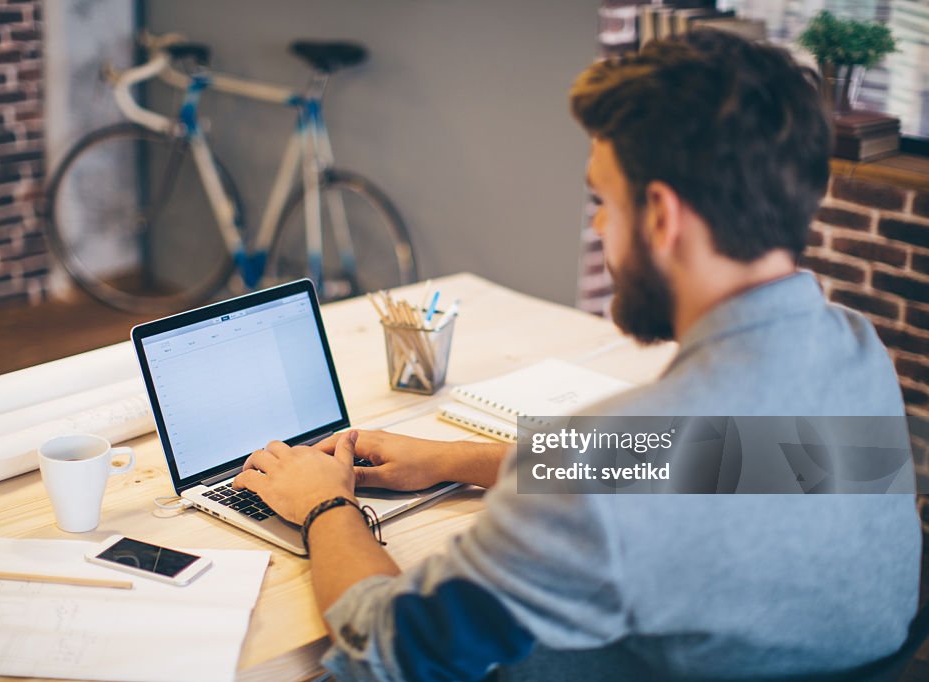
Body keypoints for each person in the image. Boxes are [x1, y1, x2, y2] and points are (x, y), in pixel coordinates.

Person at [232, 30, 920, 680]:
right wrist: (450, 461)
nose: (598, 226)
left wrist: (327, 506)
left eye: (603, 201)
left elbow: (390, 655)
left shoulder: (603, 470)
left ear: (661, 215)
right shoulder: (854, 351)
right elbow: (718, 459)